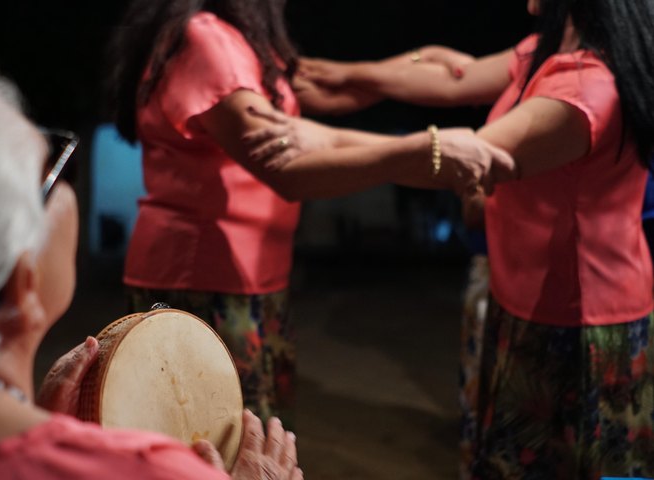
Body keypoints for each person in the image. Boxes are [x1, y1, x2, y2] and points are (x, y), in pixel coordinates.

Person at [247, 0, 654, 476]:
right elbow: (452, 75)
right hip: (531, 301)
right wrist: (347, 76)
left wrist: (320, 137)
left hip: (580, 319)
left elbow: (467, 158)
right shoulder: (551, 48)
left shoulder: (588, 85)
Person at [0, 37, 304, 480]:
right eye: (51, 171)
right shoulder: (152, 471)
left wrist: (45, 427)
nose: (65, 176)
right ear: (18, 288)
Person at [105, 0, 513, 425]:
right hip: (206, 275)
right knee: (224, 440)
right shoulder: (206, 38)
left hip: (247, 274)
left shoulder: (241, 40)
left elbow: (330, 91)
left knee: (254, 429)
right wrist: (424, 152)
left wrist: (414, 64)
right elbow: (285, 167)